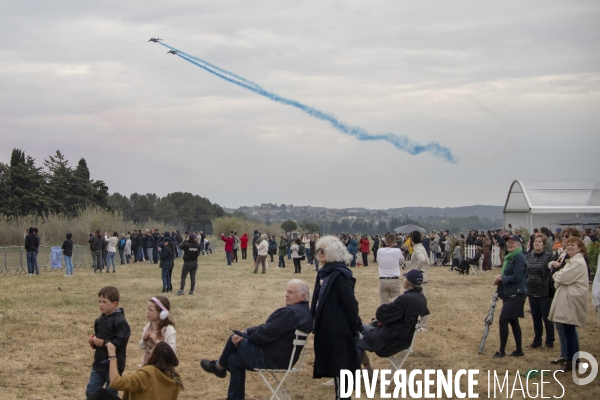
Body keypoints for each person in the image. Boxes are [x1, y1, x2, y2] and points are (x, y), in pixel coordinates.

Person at [200, 280, 313, 400]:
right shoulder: (304, 312)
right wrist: (246, 332)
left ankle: (219, 366)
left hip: (271, 358)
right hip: (284, 359)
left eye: (290, 292)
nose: (286, 294)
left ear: (302, 296)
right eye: (287, 291)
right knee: (233, 360)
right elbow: (267, 328)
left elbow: (263, 335)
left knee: (233, 337)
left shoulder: (289, 313)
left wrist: (246, 337)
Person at [311, 236, 361, 399]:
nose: (318, 253)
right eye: (317, 249)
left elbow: (350, 304)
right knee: (335, 367)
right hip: (326, 329)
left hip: (340, 330)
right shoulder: (324, 273)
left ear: (332, 253)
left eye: (322, 250)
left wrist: (354, 328)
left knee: (342, 366)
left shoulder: (340, 275)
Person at [358, 270, 430, 377]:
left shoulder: (405, 299)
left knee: (352, 340)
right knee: (356, 327)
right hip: (397, 336)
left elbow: (381, 314)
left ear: (407, 283)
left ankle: (348, 375)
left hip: (388, 341)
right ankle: (368, 372)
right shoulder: (420, 298)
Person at [89, 341, 183, 400]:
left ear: (154, 356)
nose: (149, 353)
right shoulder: (176, 377)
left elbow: (116, 382)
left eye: (151, 351)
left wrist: (112, 356)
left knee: (100, 394)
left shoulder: (149, 373)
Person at [548, 237, 589, 372]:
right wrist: (559, 276)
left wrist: (558, 276)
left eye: (573, 245)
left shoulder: (577, 263)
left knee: (569, 331)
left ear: (580, 248)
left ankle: (572, 359)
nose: (570, 247)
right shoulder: (571, 262)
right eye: (569, 245)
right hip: (567, 298)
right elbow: (561, 276)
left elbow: (562, 277)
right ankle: (572, 359)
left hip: (571, 299)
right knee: (567, 329)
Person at [85, 286, 131, 399]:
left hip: (114, 365)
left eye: (104, 302)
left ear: (114, 304)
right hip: (99, 363)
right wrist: (94, 342)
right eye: (99, 301)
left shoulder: (120, 321)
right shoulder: (99, 321)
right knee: (91, 391)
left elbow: (121, 342)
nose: (101, 304)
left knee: (110, 393)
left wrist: (104, 343)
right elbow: (99, 340)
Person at [492, 234, 527, 358]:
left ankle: (501, 351)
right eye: (508, 242)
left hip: (517, 293)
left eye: (512, 242)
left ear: (519, 244)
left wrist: (502, 278)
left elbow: (517, 277)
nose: (509, 244)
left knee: (504, 320)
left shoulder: (520, 258)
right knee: (513, 321)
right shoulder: (510, 258)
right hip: (509, 292)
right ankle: (519, 350)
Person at [525, 234, 555, 350]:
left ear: (543, 244)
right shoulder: (529, 255)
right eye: (535, 242)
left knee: (546, 318)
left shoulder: (548, 257)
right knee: (535, 317)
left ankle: (549, 341)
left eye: (539, 242)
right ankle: (537, 340)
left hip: (544, 292)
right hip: (532, 290)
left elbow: (549, 272)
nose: (537, 243)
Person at [140, 296, 177, 366]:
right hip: (147, 367)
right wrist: (144, 340)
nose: (147, 312)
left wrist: (157, 342)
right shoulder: (149, 326)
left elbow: (172, 353)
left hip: (162, 369)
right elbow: (142, 346)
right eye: (147, 309)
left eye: (151, 310)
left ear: (162, 313)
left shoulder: (168, 330)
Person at [376, 234, 405, 304]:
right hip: (394, 279)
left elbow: (378, 261)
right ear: (394, 242)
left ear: (386, 242)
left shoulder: (379, 251)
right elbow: (402, 260)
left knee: (384, 303)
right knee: (396, 303)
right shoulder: (397, 251)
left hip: (383, 279)